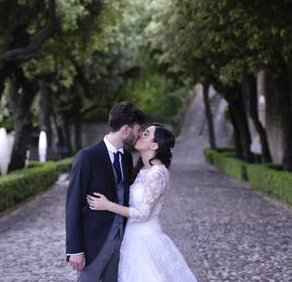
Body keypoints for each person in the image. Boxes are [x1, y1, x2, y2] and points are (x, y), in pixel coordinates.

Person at [87, 123, 197, 282]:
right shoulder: (142, 170)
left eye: (146, 134)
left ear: (154, 145)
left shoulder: (157, 174)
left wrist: (108, 205)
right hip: (132, 238)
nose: (140, 135)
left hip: (145, 240)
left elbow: (143, 214)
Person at [65, 102, 145, 282]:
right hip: (94, 243)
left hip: (121, 241)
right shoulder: (88, 156)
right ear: (126, 129)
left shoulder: (126, 157)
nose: (140, 134)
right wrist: (75, 249)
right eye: (139, 129)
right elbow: (73, 204)